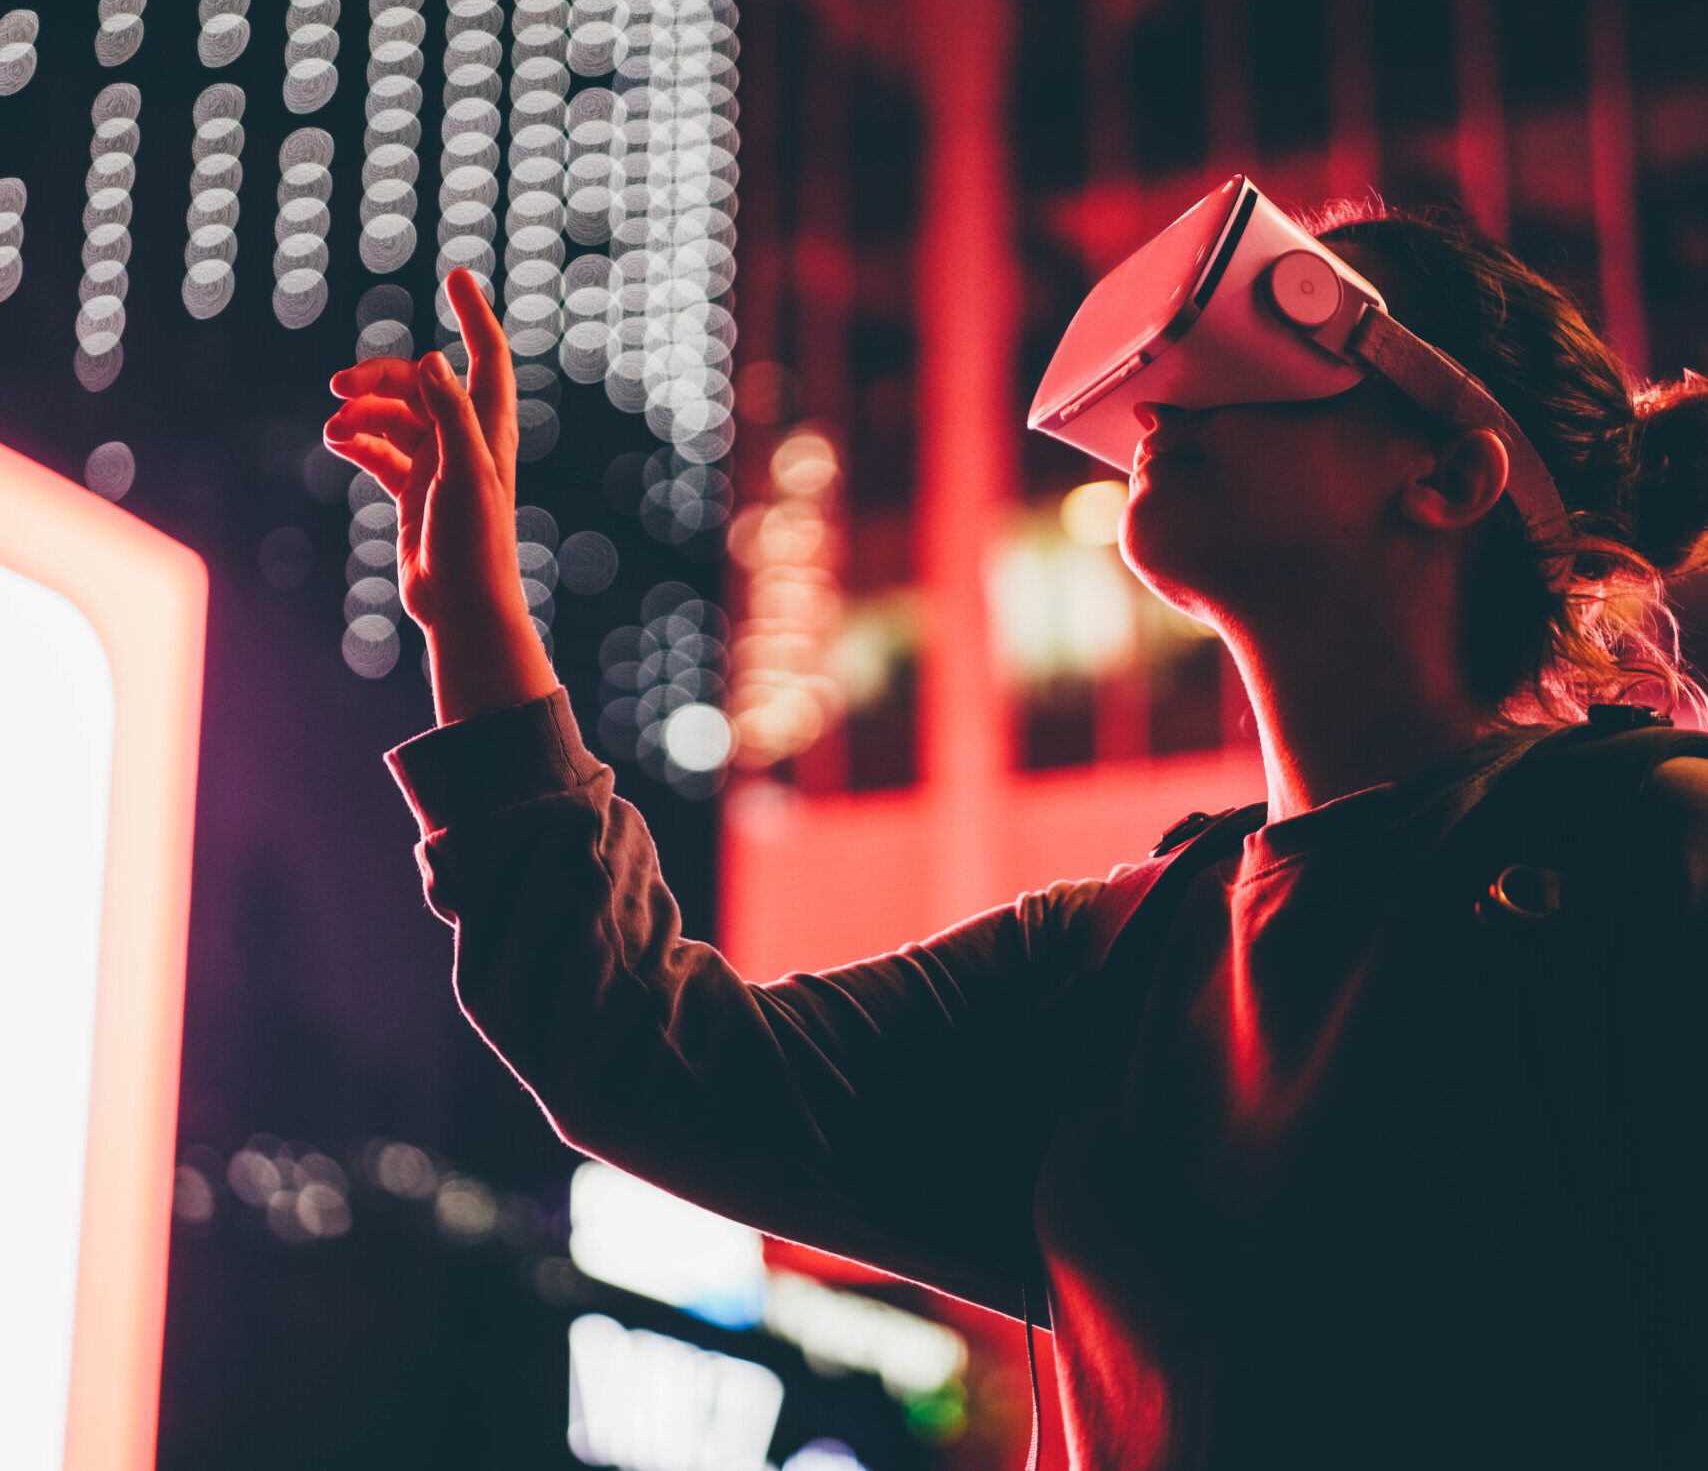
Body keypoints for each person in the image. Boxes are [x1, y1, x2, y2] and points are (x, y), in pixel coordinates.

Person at [325, 206, 1708, 1470]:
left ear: (1452, 478)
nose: (1164, 388)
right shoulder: (1122, 957)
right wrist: (477, 623)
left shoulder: (1650, 852)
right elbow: (639, 1047)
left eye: (1293, 329)